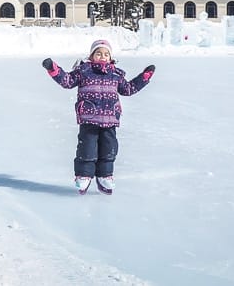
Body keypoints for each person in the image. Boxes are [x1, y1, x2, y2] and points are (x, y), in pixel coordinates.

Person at [41, 39, 155, 195]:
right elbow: (67, 81)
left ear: (110, 58)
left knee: (109, 149)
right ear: (91, 55)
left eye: (106, 54)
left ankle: (104, 176)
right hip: (89, 118)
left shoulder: (116, 74)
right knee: (87, 148)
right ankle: (84, 176)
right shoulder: (83, 71)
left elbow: (128, 89)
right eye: (99, 53)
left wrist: (145, 77)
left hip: (110, 119)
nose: (103, 56)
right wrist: (53, 69)